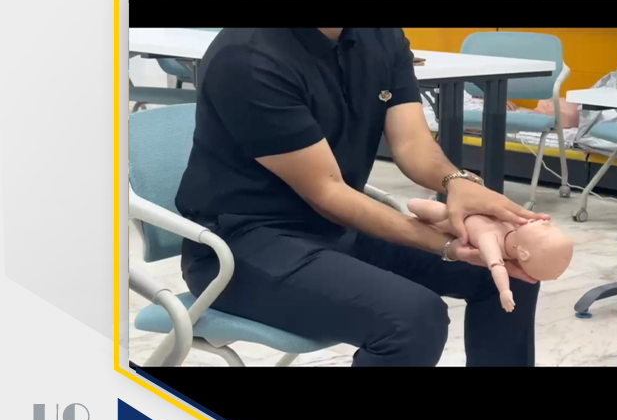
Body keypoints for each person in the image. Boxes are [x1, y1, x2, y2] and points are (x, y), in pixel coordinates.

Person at [175, 28, 548, 367]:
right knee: (412, 319)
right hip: (241, 248)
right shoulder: (247, 55)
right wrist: (449, 244)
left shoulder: (380, 36)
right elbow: (327, 191)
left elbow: (412, 142)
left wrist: (459, 183)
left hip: (335, 230)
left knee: (508, 268)